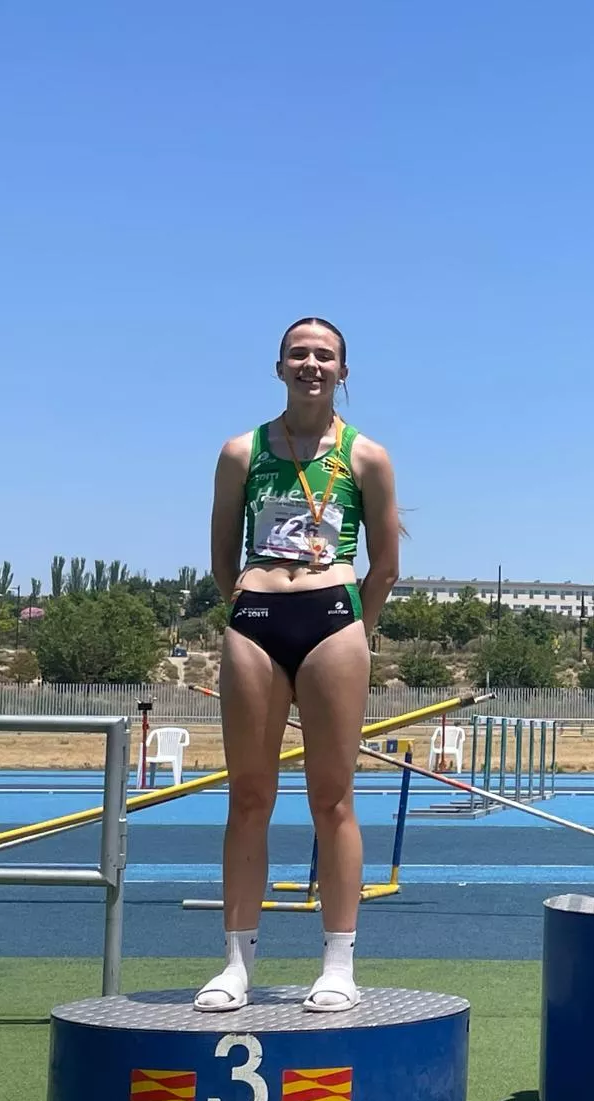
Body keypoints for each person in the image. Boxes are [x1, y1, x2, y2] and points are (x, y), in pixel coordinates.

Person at [195, 316, 401, 1012]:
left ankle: (338, 962)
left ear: (344, 371)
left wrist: (353, 628)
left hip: (333, 620)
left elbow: (386, 566)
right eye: (298, 353)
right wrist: (252, 603)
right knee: (249, 797)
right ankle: (235, 962)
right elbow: (222, 556)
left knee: (332, 799)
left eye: (326, 355)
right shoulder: (240, 451)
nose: (311, 364)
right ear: (279, 366)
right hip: (256, 619)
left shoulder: (367, 456)